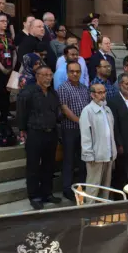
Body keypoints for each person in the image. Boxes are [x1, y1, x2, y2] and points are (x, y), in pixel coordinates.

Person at [16, 65, 62, 210]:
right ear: (37, 76)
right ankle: (34, 195)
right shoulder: (28, 92)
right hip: (35, 133)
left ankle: (47, 193)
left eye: (50, 75)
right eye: (45, 75)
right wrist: (22, 129)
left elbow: (57, 112)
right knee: (33, 166)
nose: (48, 78)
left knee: (49, 165)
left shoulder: (53, 93)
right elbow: (21, 112)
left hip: (51, 133)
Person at [57, 61, 90, 200]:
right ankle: (67, 189)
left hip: (85, 131)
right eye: (72, 71)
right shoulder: (63, 88)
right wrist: (80, 121)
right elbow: (65, 109)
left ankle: (82, 187)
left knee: (83, 160)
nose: (75, 74)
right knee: (69, 160)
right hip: (70, 130)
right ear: (67, 72)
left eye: (77, 71)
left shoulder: (84, 88)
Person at [79, 83, 118, 198]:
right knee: (93, 186)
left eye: (104, 92)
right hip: (95, 155)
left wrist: (113, 151)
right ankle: (89, 213)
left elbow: (111, 133)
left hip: (108, 153)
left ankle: (103, 212)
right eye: (99, 93)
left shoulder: (107, 110)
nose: (103, 95)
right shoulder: (88, 111)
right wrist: (88, 154)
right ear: (92, 95)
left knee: (106, 186)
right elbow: (86, 135)